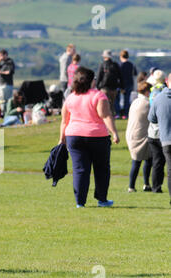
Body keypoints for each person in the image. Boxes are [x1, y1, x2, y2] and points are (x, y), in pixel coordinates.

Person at [59, 66, 120, 208]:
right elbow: (105, 116)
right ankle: (102, 199)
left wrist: (61, 138)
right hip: (97, 136)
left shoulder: (71, 97)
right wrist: (114, 133)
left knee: (80, 170)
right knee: (101, 169)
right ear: (92, 80)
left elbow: (64, 121)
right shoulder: (98, 96)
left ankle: (80, 201)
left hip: (73, 136)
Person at [148, 73, 171, 205]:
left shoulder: (158, 97)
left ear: (167, 82)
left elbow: (152, 118)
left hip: (166, 138)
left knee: (169, 169)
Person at [126, 81, 153, 192]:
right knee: (143, 161)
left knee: (138, 160)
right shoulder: (146, 104)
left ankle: (134, 185)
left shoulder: (135, 101)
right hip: (141, 135)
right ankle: (136, 185)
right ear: (147, 91)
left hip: (132, 134)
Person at [147, 69, 167, 193]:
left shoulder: (152, 92)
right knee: (164, 161)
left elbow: (151, 116)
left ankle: (156, 186)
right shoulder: (164, 93)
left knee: (157, 161)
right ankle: (157, 186)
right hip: (163, 131)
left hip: (152, 131)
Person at [96, 50, 124, 116]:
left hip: (104, 87)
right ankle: (111, 116)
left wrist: (97, 87)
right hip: (114, 88)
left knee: (104, 104)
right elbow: (120, 76)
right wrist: (122, 86)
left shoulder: (102, 65)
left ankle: (104, 116)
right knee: (112, 104)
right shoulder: (115, 65)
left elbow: (99, 76)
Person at [115, 50, 138, 119]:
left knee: (117, 99)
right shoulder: (131, 64)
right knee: (127, 100)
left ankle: (118, 113)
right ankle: (126, 114)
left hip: (120, 84)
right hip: (129, 84)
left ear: (121, 56)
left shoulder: (119, 65)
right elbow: (135, 74)